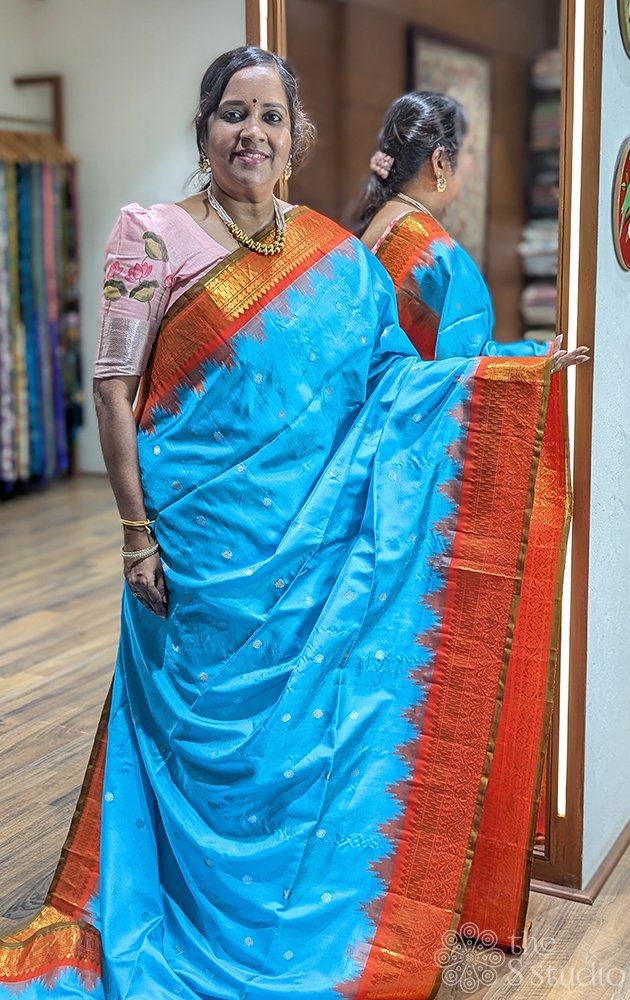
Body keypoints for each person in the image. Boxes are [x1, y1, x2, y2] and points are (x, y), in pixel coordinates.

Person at [0, 53, 578, 1000]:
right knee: (197, 749)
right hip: (192, 549)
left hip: (300, 552)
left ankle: (280, 925)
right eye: (234, 114)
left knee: (287, 746)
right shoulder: (150, 235)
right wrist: (135, 533)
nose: (252, 134)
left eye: (271, 117)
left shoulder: (331, 253)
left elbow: (392, 379)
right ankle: (178, 916)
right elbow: (112, 390)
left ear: (295, 137)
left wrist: (510, 378)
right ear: (204, 128)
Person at [357, 90, 588, 951]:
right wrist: (537, 360)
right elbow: (460, 374)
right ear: (443, 163)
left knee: (371, 673)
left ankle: (366, 859)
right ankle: (426, 873)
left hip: (361, 482)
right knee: (437, 672)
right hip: (426, 490)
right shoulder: (435, 254)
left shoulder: (365, 237)